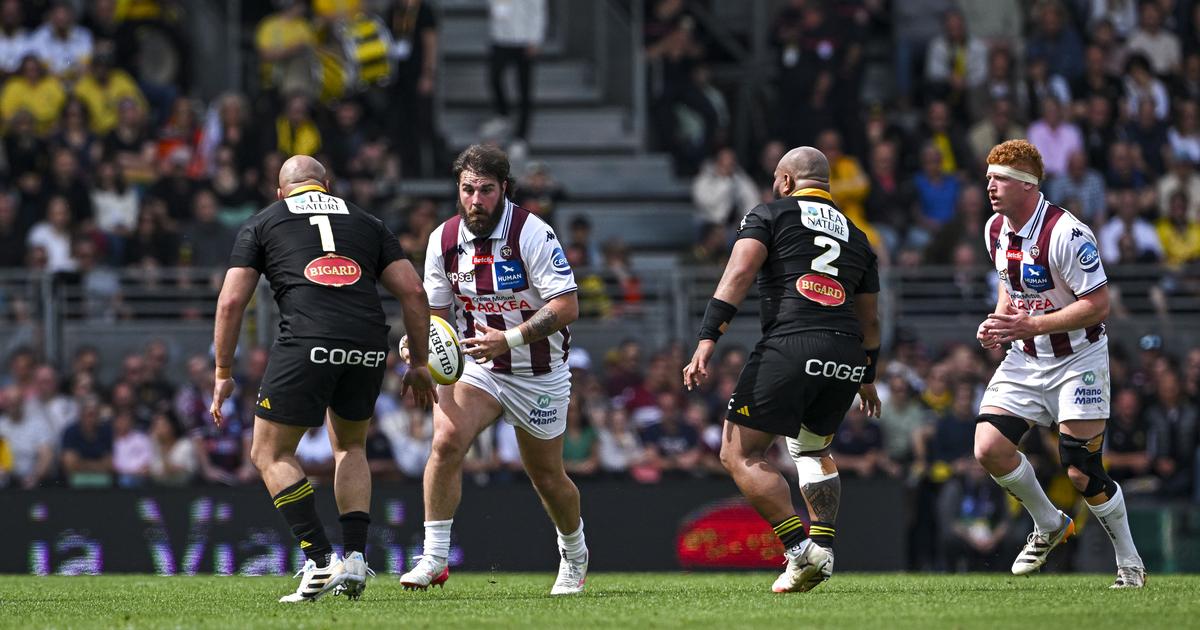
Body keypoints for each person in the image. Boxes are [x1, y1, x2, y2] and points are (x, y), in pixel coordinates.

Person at [210, 155, 436, 602]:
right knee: (350, 446)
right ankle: (354, 558)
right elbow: (413, 291)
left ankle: (318, 561)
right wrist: (420, 363)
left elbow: (231, 302)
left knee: (269, 452)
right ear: (326, 186)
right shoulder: (367, 222)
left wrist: (222, 372)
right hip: (368, 342)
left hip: (308, 340)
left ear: (281, 192)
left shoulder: (263, 221)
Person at [683, 146, 882, 593]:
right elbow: (870, 319)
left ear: (788, 182)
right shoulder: (858, 235)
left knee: (738, 454)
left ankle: (798, 549)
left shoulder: (771, 214)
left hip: (792, 343)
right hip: (847, 354)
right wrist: (868, 375)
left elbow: (738, 275)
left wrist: (707, 339)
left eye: (777, 180)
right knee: (811, 449)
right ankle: (823, 554)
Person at [398, 144, 588, 595]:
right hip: (479, 367)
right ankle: (435, 558)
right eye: (467, 189)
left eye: (485, 190)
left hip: (538, 370)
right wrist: (416, 345)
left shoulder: (532, 233)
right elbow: (438, 315)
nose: (475, 199)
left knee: (546, 475)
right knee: (445, 441)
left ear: (504, 189)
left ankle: (574, 551)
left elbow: (567, 306)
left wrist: (512, 337)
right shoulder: (442, 240)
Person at [975, 139, 1145, 588]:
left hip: (1078, 359)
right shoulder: (995, 228)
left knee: (1080, 470)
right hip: (1027, 357)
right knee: (988, 448)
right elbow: (1009, 285)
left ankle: (1130, 562)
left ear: (1028, 186)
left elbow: (1099, 304)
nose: (990, 186)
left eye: (1000, 179)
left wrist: (1033, 324)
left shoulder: (1068, 234)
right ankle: (1050, 523)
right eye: (989, 177)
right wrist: (1000, 321)